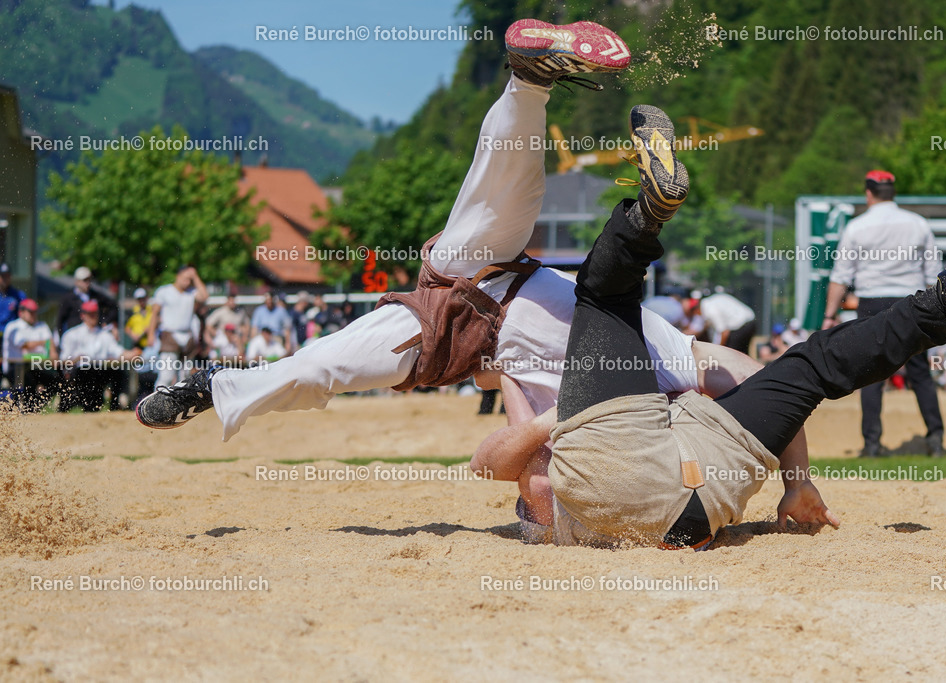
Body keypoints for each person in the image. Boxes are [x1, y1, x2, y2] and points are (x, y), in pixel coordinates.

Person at [135, 20, 761, 441]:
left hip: (446, 324)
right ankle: (532, 81)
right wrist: (777, 437)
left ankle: (210, 385)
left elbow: (518, 426)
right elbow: (723, 367)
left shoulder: (630, 408)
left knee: (318, 364)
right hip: (500, 288)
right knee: (504, 198)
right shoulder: (656, 371)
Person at [471, 106, 946, 548]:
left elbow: (494, 466)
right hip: (679, 468)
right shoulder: (574, 373)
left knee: (805, 365)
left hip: (686, 502)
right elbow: (756, 377)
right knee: (609, 296)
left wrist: (554, 422)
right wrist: (795, 481)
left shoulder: (523, 375)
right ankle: (942, 297)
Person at [823, 170, 946, 457]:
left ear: (868, 193)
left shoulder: (856, 227)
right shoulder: (918, 224)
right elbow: (932, 273)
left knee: (871, 375)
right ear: (893, 192)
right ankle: (936, 440)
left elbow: (841, 276)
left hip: (871, 304)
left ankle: (872, 443)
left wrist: (830, 315)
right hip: (912, 303)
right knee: (920, 374)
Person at [59, 300, 141, 411]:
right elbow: (64, 360)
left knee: (119, 373)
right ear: (83, 315)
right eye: (90, 314)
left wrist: (133, 353)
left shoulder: (104, 335)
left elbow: (118, 351)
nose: (93, 317)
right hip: (81, 373)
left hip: (100, 372)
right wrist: (77, 359)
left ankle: (117, 408)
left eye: (95, 313)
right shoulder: (72, 334)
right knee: (87, 375)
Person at [148, 265, 207, 388]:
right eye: (185, 278)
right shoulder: (164, 291)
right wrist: (151, 334)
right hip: (170, 336)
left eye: (189, 280)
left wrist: (195, 276)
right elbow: (155, 313)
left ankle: (180, 405)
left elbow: (205, 296)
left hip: (187, 337)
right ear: (177, 276)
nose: (187, 282)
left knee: (185, 376)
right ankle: (156, 403)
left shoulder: (191, 293)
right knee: (166, 376)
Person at [2, 299, 59, 410]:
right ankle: (23, 408)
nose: (33, 314)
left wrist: (53, 353)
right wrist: (43, 342)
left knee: (55, 381)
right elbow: (25, 345)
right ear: (21, 312)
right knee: (27, 383)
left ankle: (34, 407)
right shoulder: (14, 326)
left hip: (34, 366)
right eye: (30, 311)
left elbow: (50, 341)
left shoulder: (41, 325)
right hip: (14, 367)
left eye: (35, 311)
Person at [55, 266, 118, 337]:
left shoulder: (96, 296)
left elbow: (113, 306)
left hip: (93, 335)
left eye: (89, 280)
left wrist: (105, 321)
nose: (88, 283)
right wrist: (61, 338)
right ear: (77, 282)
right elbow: (60, 320)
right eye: (85, 280)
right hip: (75, 336)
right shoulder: (68, 298)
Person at [0, 263, 27, 350]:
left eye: (7, 276)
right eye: (2, 276)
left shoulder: (18, 295)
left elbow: (25, 315)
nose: (5, 279)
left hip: (13, 336)